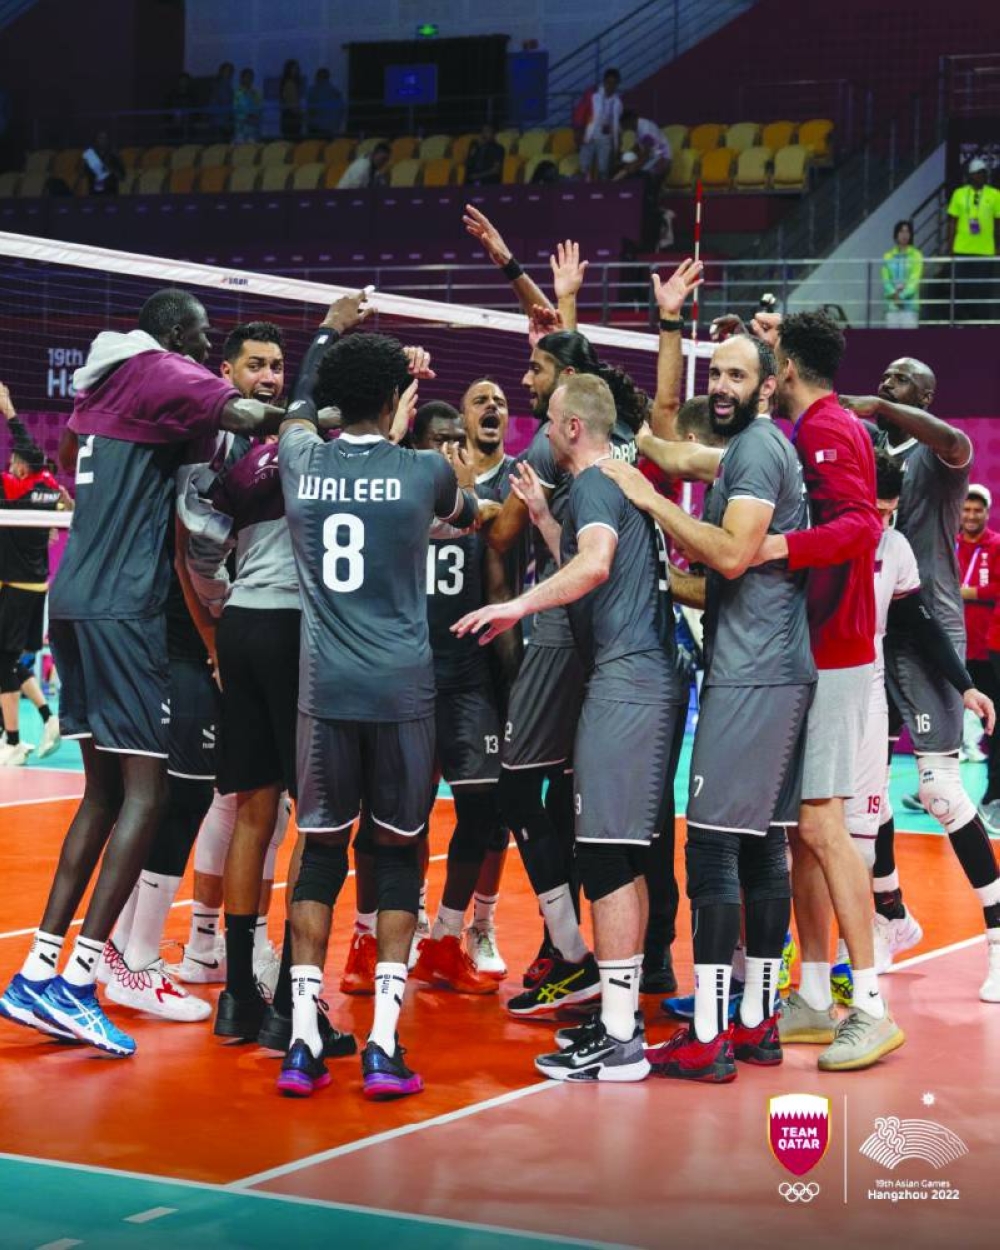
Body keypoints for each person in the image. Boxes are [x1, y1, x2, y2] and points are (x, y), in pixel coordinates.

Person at [0, 288, 284, 1057]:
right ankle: (85, 979)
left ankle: (38, 969)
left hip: (76, 601)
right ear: (169, 336)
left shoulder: (98, 388)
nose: (201, 352)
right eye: (197, 338)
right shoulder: (161, 369)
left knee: (100, 792)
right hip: (127, 608)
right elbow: (250, 418)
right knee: (149, 794)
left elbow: (65, 459)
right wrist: (332, 425)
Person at [455, 373, 685, 1082]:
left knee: (608, 858)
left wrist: (516, 607)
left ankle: (619, 1038)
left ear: (576, 428)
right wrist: (547, 524)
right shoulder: (613, 481)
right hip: (647, 678)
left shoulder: (588, 481)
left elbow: (595, 565)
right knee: (624, 852)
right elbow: (594, 562)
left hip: (628, 684)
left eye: (552, 421)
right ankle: (620, 1021)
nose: (546, 432)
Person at [277, 327, 482, 1099]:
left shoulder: (301, 459)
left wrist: (327, 343)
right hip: (401, 693)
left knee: (321, 853)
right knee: (397, 856)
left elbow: (298, 410)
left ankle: (301, 1041)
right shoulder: (426, 469)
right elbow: (468, 513)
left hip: (324, 693)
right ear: (400, 402)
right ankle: (384, 1045)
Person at [603, 333, 815, 1082]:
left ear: (764, 387)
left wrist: (649, 499)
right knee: (760, 847)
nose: (720, 384)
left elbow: (729, 555)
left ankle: (714, 1031)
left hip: (753, 675)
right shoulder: (755, 446)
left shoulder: (757, 450)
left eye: (736, 374)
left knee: (715, 847)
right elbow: (683, 454)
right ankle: (756, 1024)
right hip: (775, 668)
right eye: (715, 372)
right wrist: (627, 444)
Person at [753, 310, 904, 1071]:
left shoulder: (825, 428)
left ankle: (869, 1006)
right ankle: (814, 994)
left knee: (822, 828)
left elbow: (858, 529)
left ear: (783, 366)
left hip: (839, 651)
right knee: (798, 837)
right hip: (815, 646)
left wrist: (777, 546)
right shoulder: (820, 424)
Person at [841, 362, 1000, 999]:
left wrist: (879, 407)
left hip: (931, 632)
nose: (888, 378)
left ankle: (997, 936)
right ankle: (891, 916)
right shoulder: (870, 450)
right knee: (867, 786)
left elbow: (955, 442)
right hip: (875, 632)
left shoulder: (937, 455)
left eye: (903, 376)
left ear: (925, 396)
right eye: (885, 375)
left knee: (938, 788)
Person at [407, 401, 505, 995]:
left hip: (469, 683)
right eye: (436, 443)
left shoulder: (485, 514)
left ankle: (454, 931)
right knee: (403, 819)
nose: (448, 454)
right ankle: (411, 923)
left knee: (484, 813)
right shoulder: (397, 505)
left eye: (455, 444)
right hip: (410, 685)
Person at [0, 382, 64, 766]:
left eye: (12, 461)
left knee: (2, 661)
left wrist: (9, 411)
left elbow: (27, 449)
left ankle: (13, 742)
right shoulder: (51, 488)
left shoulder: (16, 486)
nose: (9, 465)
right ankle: (47, 718)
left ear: (23, 466)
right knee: (8, 660)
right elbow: (66, 503)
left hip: (17, 587)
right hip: (28, 585)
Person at [956, 485, 1000, 771]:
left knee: (992, 718)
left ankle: (993, 791)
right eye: (966, 509)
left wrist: (967, 593)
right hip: (952, 646)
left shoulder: (996, 546)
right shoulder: (949, 543)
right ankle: (935, 790)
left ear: (987, 512)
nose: (971, 515)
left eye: (977, 509)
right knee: (944, 718)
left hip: (985, 647)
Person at [947, 157, 1000, 322]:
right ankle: (961, 323)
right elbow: (952, 222)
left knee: (982, 290)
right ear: (970, 175)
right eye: (977, 173)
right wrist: (950, 246)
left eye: (983, 173)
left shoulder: (995, 194)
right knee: (961, 289)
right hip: (962, 249)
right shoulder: (959, 194)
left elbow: (999, 223)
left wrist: (998, 246)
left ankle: (982, 324)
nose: (980, 176)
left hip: (985, 250)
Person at [578, 69, 623, 182]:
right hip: (590, 134)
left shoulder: (618, 103)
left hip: (605, 136)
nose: (610, 86)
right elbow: (581, 113)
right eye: (608, 82)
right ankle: (584, 190)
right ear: (604, 82)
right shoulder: (593, 95)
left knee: (603, 169)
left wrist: (616, 146)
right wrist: (579, 131)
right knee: (584, 167)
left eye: (614, 83)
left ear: (617, 84)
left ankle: (602, 194)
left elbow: (616, 125)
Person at [881, 220, 923, 329]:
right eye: (901, 232)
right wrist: (894, 295)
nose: (904, 235)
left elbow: (914, 281)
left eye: (907, 232)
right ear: (896, 235)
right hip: (892, 306)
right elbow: (886, 280)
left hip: (910, 307)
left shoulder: (916, 255)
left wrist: (901, 297)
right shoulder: (888, 256)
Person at [81, 132, 124, 196]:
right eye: (100, 138)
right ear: (95, 140)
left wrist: (111, 169)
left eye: (105, 138)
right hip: (94, 193)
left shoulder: (114, 155)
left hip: (111, 192)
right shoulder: (91, 156)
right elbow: (82, 174)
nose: (103, 140)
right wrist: (84, 162)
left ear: (108, 140)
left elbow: (122, 177)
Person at [306, 68, 344, 139]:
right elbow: (341, 110)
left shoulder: (313, 91)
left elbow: (311, 111)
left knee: (314, 148)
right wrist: (337, 125)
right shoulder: (335, 91)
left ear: (317, 77)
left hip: (316, 127)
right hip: (331, 128)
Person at [233, 68, 262, 144]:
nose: (248, 79)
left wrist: (255, 116)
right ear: (242, 78)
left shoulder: (255, 93)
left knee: (252, 150)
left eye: (250, 77)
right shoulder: (237, 93)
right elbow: (236, 108)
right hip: (241, 128)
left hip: (253, 128)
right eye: (246, 77)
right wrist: (246, 116)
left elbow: (259, 107)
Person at [208, 62, 235, 141]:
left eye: (230, 71)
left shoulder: (228, 85)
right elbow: (224, 101)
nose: (228, 73)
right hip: (219, 121)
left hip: (225, 121)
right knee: (219, 146)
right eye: (226, 71)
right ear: (221, 72)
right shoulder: (218, 85)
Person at [279, 59, 304, 141]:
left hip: (289, 116)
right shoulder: (290, 84)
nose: (295, 71)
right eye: (294, 69)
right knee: (292, 142)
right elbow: (292, 103)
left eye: (297, 69)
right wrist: (301, 115)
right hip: (291, 117)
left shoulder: (289, 83)